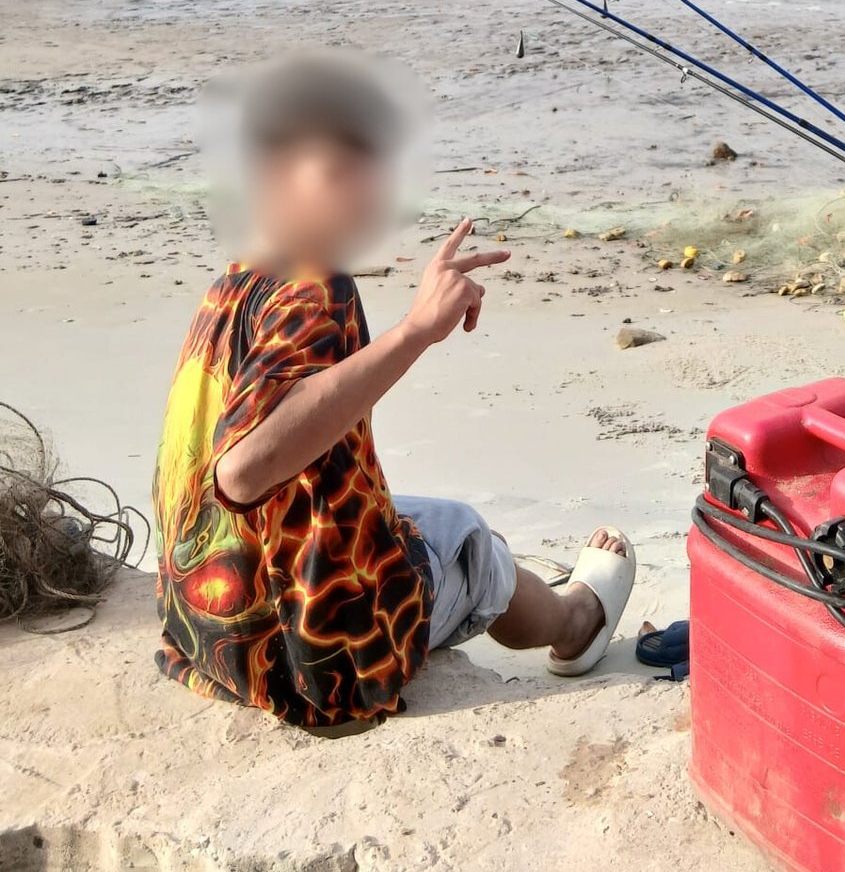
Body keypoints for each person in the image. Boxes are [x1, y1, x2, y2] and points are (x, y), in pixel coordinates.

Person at [153, 50, 635, 729]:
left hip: (206, 622)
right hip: (307, 658)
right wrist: (415, 331)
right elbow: (243, 468)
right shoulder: (315, 287)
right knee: (468, 537)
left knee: (409, 515)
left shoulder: (239, 277)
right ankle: (576, 621)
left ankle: (524, 591)